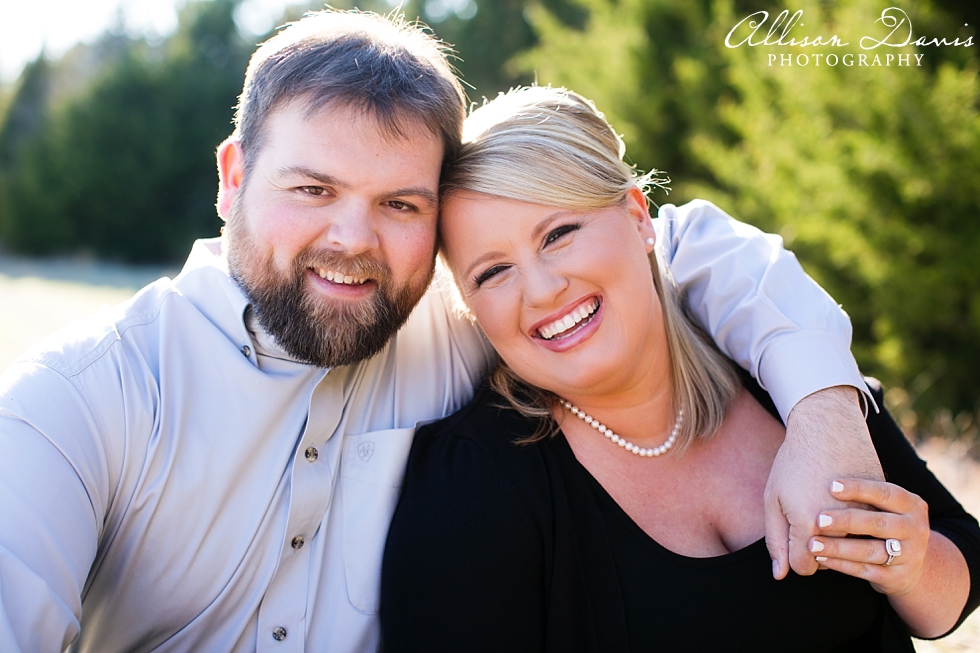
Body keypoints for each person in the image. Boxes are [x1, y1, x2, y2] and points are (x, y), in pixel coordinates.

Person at [0, 10, 881, 653]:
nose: (354, 240)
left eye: (400, 204)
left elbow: (675, 244)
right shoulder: (79, 404)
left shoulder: (459, 321)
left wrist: (825, 410)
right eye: (312, 189)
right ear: (233, 177)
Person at [380, 86, 980, 651]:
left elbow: (953, 589)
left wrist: (910, 566)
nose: (540, 290)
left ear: (639, 216)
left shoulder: (794, 382)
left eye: (558, 234)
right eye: (492, 272)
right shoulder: (471, 486)